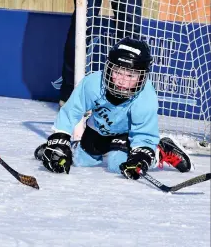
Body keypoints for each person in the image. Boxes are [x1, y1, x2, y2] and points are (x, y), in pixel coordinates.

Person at [35, 37, 193, 178]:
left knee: (118, 165)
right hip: (97, 130)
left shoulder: (145, 96)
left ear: (142, 76)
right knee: (81, 162)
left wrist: (142, 154)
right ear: (109, 68)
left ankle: (160, 151)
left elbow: (143, 133)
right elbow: (71, 112)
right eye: (117, 72)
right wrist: (60, 139)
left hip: (126, 135)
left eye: (130, 76)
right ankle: (74, 148)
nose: (122, 81)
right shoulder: (93, 84)